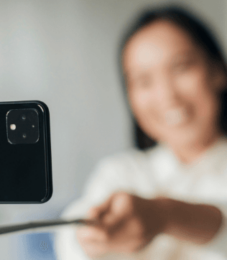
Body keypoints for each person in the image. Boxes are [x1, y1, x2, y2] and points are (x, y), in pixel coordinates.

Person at [55, 6, 227, 260]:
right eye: (144, 81)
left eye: (181, 68)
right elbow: (70, 242)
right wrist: (91, 236)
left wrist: (165, 215)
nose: (167, 95)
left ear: (217, 71)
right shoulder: (121, 173)